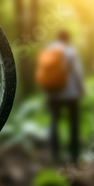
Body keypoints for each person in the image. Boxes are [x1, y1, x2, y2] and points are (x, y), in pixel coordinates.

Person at [36, 30, 84, 163]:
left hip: (53, 93)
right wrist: (81, 89)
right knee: (73, 124)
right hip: (71, 94)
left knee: (54, 122)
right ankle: (74, 155)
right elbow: (78, 72)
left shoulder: (49, 50)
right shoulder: (70, 51)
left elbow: (42, 72)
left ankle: (55, 154)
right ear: (68, 39)